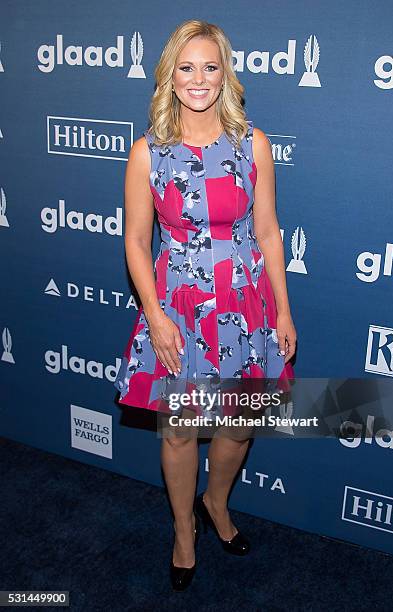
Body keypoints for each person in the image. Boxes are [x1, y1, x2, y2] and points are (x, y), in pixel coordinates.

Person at [114, 19, 297, 591]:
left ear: (226, 75)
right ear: (169, 77)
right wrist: (156, 315)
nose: (198, 79)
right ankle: (183, 533)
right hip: (180, 306)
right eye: (185, 68)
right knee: (179, 430)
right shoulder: (149, 153)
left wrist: (284, 311)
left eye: (210, 67)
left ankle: (215, 505)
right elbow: (136, 242)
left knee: (238, 425)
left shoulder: (253, 144)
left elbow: (267, 231)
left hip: (246, 304)